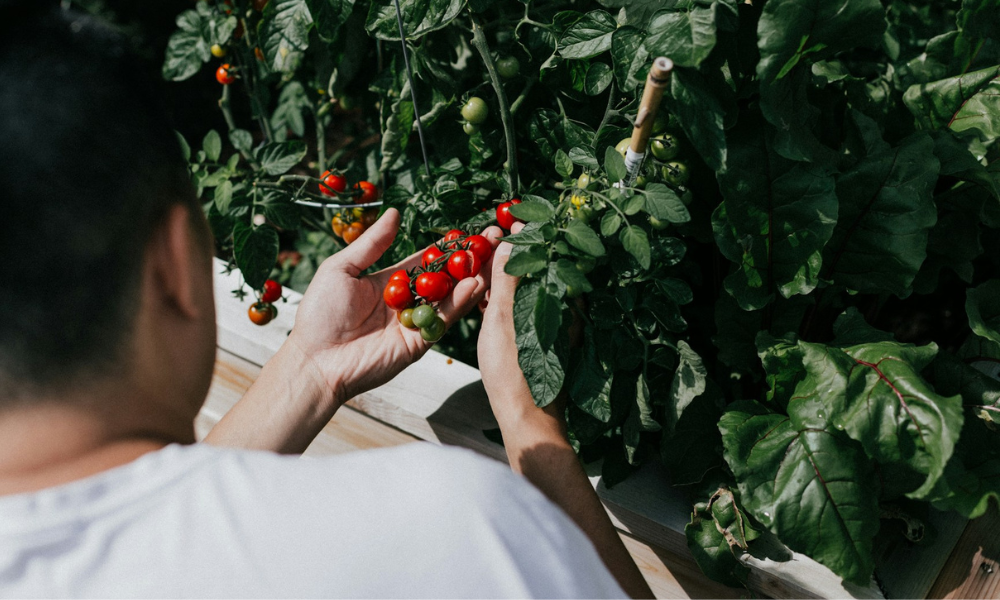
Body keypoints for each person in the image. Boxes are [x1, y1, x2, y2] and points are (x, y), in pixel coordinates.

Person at [0, 3, 653, 599]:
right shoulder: (450, 528)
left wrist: (310, 370)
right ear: (175, 264)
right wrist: (529, 422)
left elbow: (142, 531)